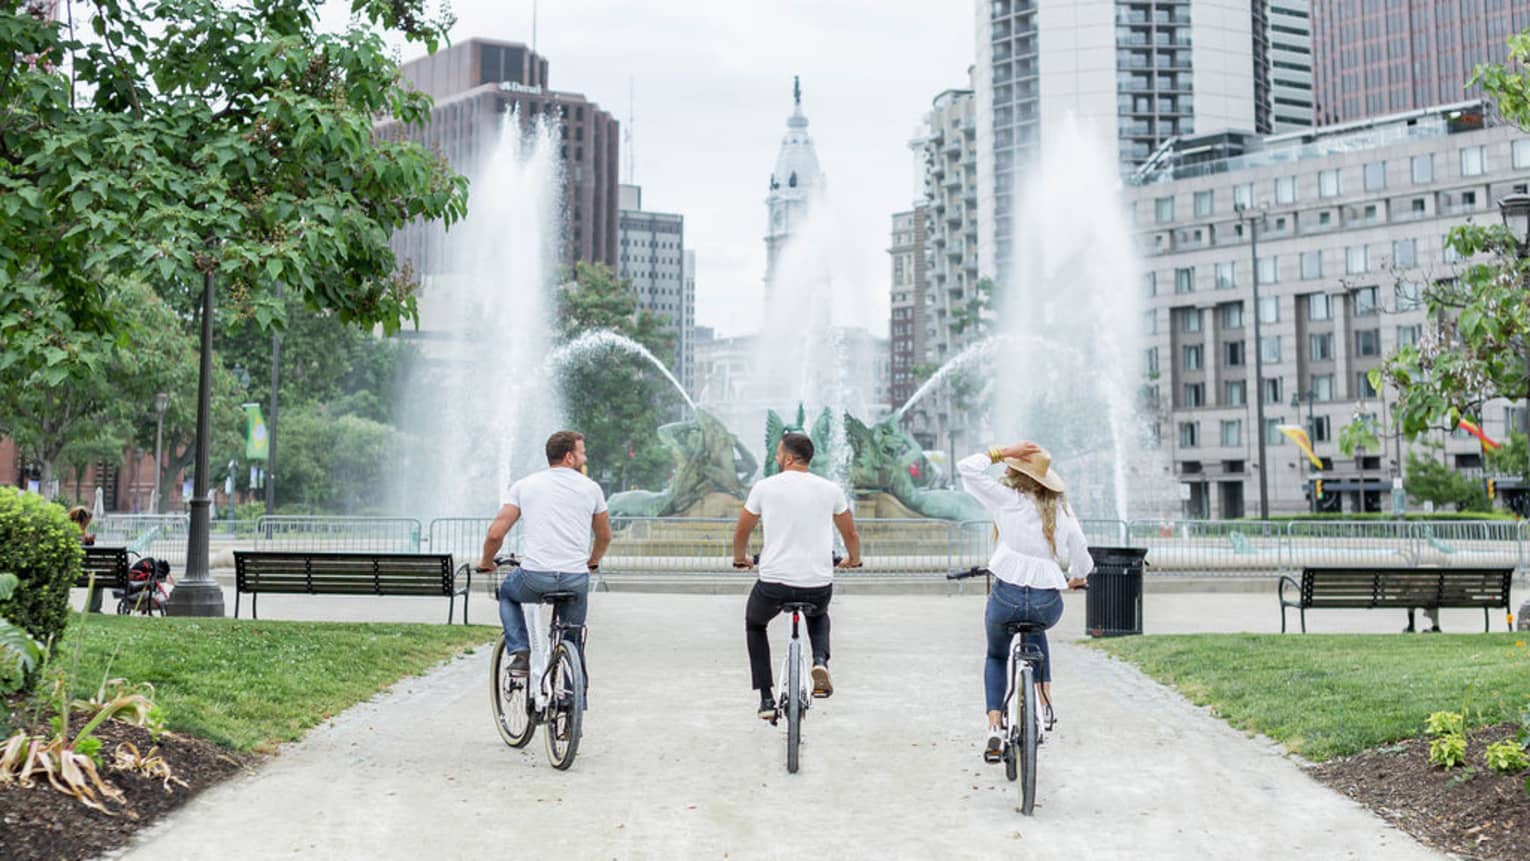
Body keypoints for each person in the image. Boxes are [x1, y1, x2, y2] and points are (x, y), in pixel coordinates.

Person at [957, 441, 1092, 764]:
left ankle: (994, 726)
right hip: (1047, 602)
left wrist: (1000, 452)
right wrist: (1077, 577)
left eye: (1010, 468)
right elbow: (1082, 555)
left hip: (1007, 596)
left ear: (1018, 476)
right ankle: (1045, 704)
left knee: (996, 655)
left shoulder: (1007, 500)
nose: (1005, 471)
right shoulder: (1062, 513)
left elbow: (966, 468)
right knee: (1037, 628)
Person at [731, 432, 862, 720]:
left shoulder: (764, 487)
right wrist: (854, 558)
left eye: (779, 453)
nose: (777, 457)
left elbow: (742, 530)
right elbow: (850, 532)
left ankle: (766, 697)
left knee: (755, 625)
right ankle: (819, 661)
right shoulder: (830, 489)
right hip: (816, 583)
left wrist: (740, 559)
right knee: (818, 614)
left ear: (788, 458)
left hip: (773, 585)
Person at [476, 430, 611, 675]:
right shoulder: (592, 489)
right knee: (573, 640)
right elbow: (604, 536)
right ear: (569, 457)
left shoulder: (524, 486)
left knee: (507, 593)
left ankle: (519, 652)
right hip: (575, 577)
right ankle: (574, 702)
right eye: (582, 452)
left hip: (534, 577)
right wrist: (592, 561)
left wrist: (486, 562)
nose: (585, 457)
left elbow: (495, 534)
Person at [68, 506, 103, 612]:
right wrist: (88, 542)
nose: (86, 527)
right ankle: (93, 609)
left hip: (68, 573)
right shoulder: (77, 535)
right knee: (99, 579)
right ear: (78, 521)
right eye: (85, 524)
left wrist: (87, 541)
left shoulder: (68, 533)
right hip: (78, 573)